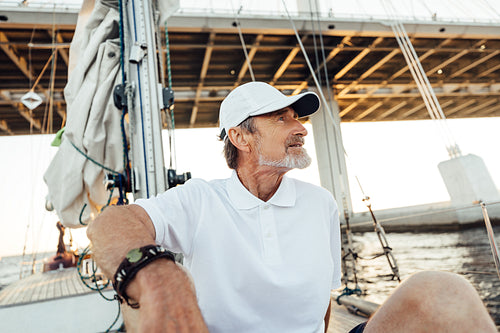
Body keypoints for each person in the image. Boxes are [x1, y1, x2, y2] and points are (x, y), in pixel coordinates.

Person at [87, 82, 497, 333]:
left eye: (298, 118)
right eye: (281, 118)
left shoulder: (320, 204)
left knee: (444, 290)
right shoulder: (200, 199)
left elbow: (323, 306)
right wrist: (162, 282)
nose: (301, 127)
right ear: (241, 137)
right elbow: (112, 223)